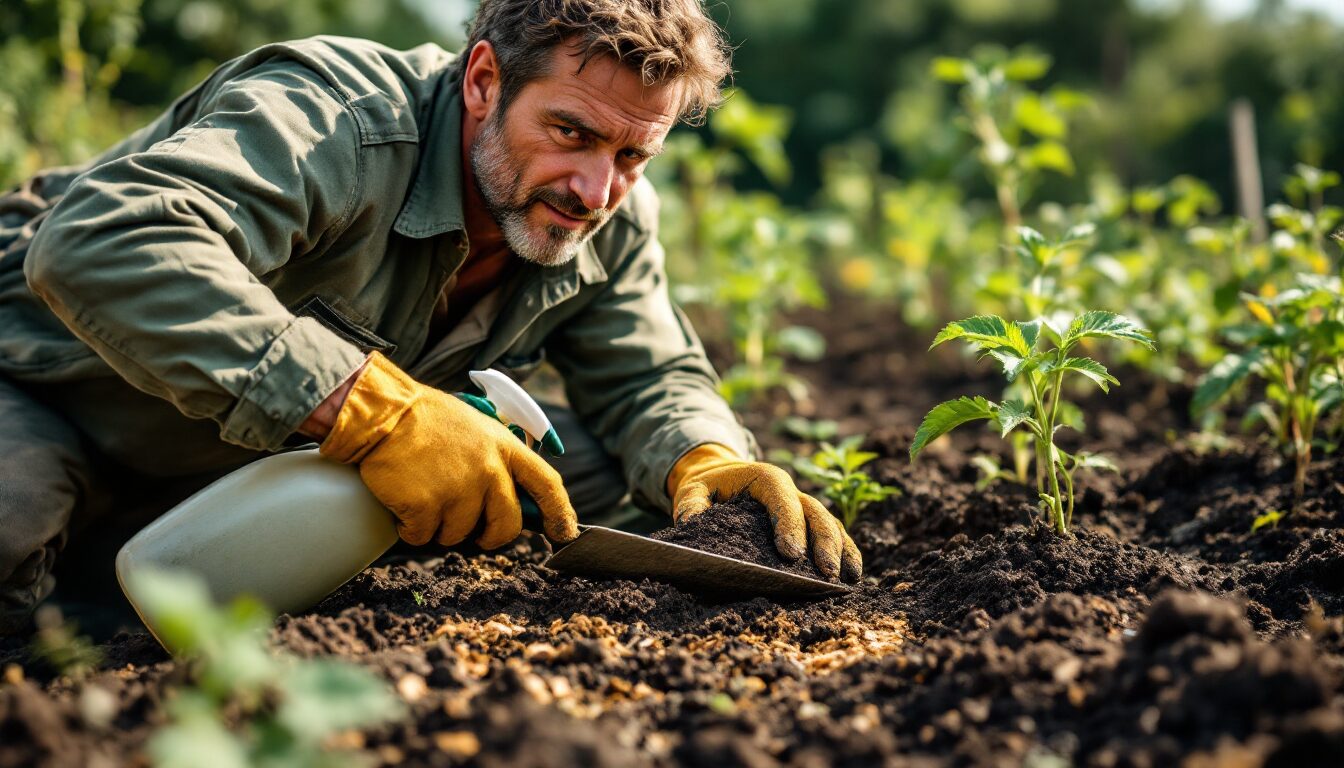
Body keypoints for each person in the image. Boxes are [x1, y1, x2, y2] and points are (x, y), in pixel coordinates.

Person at [0, 0, 861, 634]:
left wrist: (702, 457)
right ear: (484, 79)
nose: (596, 190)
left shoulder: (608, 216)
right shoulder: (336, 118)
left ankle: (154, 574)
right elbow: (100, 243)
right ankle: (91, 615)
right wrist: (379, 413)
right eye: (570, 132)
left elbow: (649, 375)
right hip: (57, 391)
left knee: (606, 486)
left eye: (634, 155)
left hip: (263, 455)